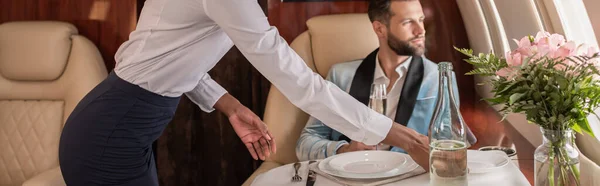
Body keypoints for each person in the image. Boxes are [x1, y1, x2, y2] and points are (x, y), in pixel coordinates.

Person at [57, 0, 430, 185]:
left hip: (117, 126)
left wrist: (230, 105)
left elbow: (156, 60)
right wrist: (399, 135)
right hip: (111, 136)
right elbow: (299, 80)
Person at [296, 0, 477, 161]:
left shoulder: (438, 78)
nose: (420, 30)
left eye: (421, 19)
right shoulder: (341, 76)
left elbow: (449, 146)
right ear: (379, 28)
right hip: (355, 174)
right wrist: (343, 150)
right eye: (408, 22)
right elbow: (305, 143)